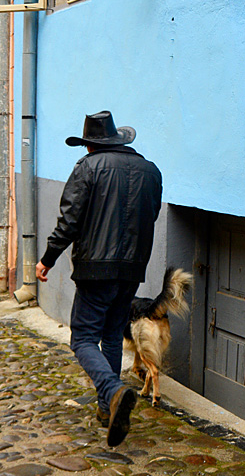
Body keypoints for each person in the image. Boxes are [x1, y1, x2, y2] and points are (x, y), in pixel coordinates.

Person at [35, 111, 162, 447]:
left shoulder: (87, 167)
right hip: (132, 267)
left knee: (83, 338)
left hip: (96, 268)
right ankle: (108, 410)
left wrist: (48, 258)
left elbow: (70, 220)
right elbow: (152, 214)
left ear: (90, 145)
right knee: (110, 335)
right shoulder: (151, 171)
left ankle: (113, 389)